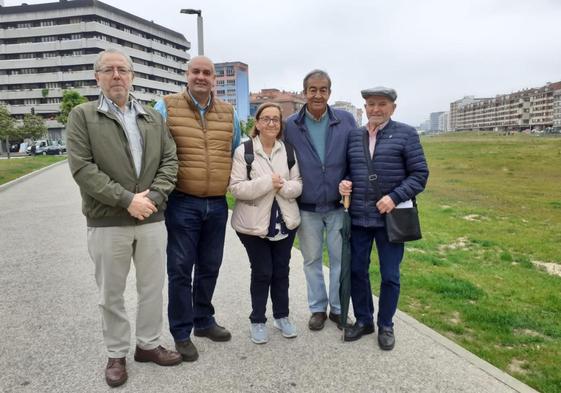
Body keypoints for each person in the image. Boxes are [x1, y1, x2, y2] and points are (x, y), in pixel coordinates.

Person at [66, 48, 181, 388]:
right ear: (97, 77)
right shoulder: (82, 116)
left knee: (152, 288)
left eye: (122, 70)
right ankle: (116, 353)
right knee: (111, 293)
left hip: (151, 219)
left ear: (132, 76)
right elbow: (83, 168)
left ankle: (148, 345)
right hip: (107, 221)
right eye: (108, 70)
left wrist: (154, 197)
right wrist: (127, 200)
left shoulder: (151, 117)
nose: (117, 75)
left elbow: (170, 161)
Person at [154, 55, 241, 361]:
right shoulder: (166, 106)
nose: (201, 77)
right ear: (187, 75)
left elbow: (235, 152)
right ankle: (181, 332)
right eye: (196, 72)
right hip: (182, 202)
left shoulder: (229, 113)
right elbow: (155, 150)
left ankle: (203, 320)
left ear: (214, 79)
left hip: (217, 204)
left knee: (210, 266)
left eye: (207, 73)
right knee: (179, 269)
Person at [339, 86, 429, 350]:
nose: (375, 109)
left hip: (390, 219)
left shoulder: (406, 134)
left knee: (390, 275)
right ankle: (365, 320)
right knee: (357, 271)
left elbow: (420, 174)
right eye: (370, 104)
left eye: (381, 104)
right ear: (364, 107)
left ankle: (386, 324)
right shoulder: (355, 136)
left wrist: (393, 197)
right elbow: (348, 171)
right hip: (359, 217)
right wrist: (344, 184)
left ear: (393, 107)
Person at [284, 70, 357, 331]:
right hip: (307, 206)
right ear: (305, 92)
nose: (317, 94)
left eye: (323, 89)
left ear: (329, 92)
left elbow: (355, 158)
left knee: (339, 260)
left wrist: (349, 180)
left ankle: (338, 309)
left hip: (339, 206)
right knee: (312, 260)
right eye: (312, 89)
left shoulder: (346, 120)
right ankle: (317, 308)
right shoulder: (291, 124)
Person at [229, 103, 302, 344]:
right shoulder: (244, 151)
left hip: (284, 222)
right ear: (257, 123)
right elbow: (236, 188)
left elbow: (298, 184)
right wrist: (267, 183)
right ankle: (257, 320)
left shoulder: (288, 151)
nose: (271, 123)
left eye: (276, 119)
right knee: (263, 272)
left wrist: (284, 186)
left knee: (282, 271)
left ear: (281, 125)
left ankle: (282, 316)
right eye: (266, 119)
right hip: (253, 225)